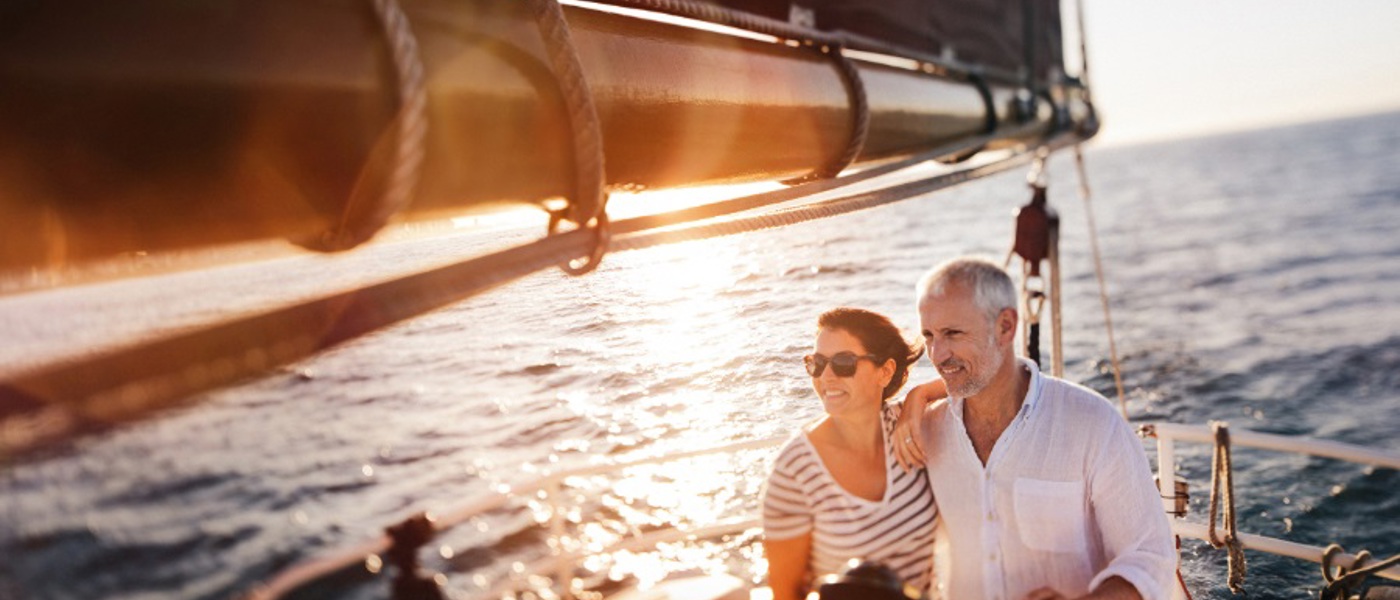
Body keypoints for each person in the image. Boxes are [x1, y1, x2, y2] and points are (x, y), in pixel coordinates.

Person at [891, 257, 1175, 600]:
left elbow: (1151, 559)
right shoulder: (927, 430)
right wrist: (915, 398)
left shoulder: (1093, 423)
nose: (937, 355)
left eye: (953, 333)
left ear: (1005, 327)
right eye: (929, 336)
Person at [762, 307, 938, 600]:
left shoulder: (909, 426)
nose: (826, 376)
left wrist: (921, 395)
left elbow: (979, 384)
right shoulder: (794, 469)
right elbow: (785, 592)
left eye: (843, 363)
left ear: (886, 371)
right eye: (817, 363)